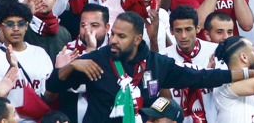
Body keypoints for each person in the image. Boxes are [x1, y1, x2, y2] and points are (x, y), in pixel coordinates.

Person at [47, 11, 238, 121]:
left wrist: (247, 73)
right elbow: (53, 87)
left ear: (137, 39)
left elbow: (201, 77)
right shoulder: (96, 60)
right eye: (113, 34)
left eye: (121, 36)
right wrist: (72, 66)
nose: (113, 40)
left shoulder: (156, 63)